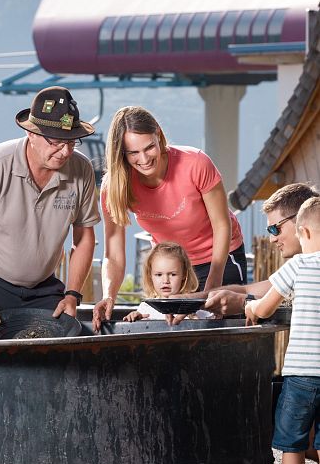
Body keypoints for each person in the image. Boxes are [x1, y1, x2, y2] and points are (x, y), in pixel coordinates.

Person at [0, 86, 100, 327]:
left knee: (59, 356)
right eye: (55, 142)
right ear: (31, 134)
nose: (65, 152)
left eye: (72, 142)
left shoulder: (81, 169)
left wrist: (73, 294)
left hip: (44, 288)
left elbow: (84, 238)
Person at [93, 105, 246, 330]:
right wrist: (109, 296)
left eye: (149, 147)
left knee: (219, 328)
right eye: (133, 153)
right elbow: (113, 253)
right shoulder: (114, 187)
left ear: (159, 137)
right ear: (121, 154)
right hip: (172, 269)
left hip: (218, 258)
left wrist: (212, 285)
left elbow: (222, 225)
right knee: (172, 329)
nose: (144, 159)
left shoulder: (195, 163)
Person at [245, 196, 320, 464]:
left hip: (302, 374)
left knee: (291, 443)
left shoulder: (299, 265)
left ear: (302, 231)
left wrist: (250, 309)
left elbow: (263, 307)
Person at [203, 183, 320, 318]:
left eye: (275, 229)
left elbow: (267, 305)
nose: (272, 239)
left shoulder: (299, 265)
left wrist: (244, 303)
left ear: (300, 221)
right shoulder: (301, 269)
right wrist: (189, 299)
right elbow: (247, 290)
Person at [123, 241, 212, 321]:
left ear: (184, 274)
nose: (165, 281)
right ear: (150, 276)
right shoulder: (146, 306)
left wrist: (195, 318)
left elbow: (211, 321)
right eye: (159, 275)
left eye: (172, 274)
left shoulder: (194, 304)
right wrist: (135, 317)